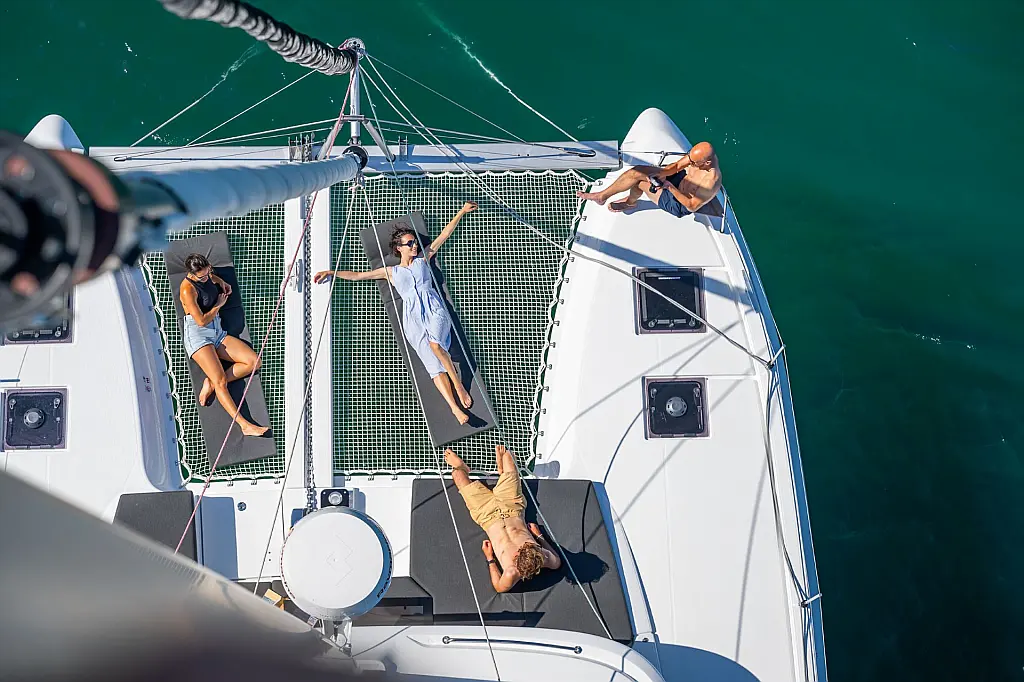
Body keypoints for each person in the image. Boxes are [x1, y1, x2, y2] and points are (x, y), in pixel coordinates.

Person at [313, 202, 478, 425]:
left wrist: (462, 211)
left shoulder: (423, 259)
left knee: (435, 345)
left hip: (434, 309)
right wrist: (331, 272)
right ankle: (454, 408)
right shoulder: (391, 272)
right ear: (399, 248)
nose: (414, 246)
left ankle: (458, 385)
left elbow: (444, 235)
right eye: (409, 243)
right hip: (412, 320)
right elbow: (358, 275)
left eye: (414, 242)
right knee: (433, 366)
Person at [444, 446, 561, 593]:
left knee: (457, 474)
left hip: (487, 515)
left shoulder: (511, 573)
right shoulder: (542, 555)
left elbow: (499, 587)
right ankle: (501, 471)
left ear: (516, 560)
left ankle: (463, 467)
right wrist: (539, 536)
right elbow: (557, 562)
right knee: (509, 455)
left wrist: (490, 558)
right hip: (512, 506)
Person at [179, 253, 269, 437]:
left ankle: (211, 382)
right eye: (202, 277)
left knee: (254, 362)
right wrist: (218, 305)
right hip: (199, 335)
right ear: (192, 274)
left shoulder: (207, 275)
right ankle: (244, 425)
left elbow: (212, 278)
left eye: (208, 272)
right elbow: (201, 321)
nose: (206, 277)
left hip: (217, 330)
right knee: (222, 382)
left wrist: (221, 282)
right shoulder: (188, 290)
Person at [577, 141, 722, 217]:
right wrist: (663, 173)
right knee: (637, 171)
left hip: (680, 202)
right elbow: (678, 165)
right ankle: (601, 196)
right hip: (678, 180)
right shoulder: (696, 158)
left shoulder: (711, 181)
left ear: (707, 163)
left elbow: (691, 205)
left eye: (693, 162)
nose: (689, 162)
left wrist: (669, 186)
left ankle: (630, 203)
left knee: (639, 183)